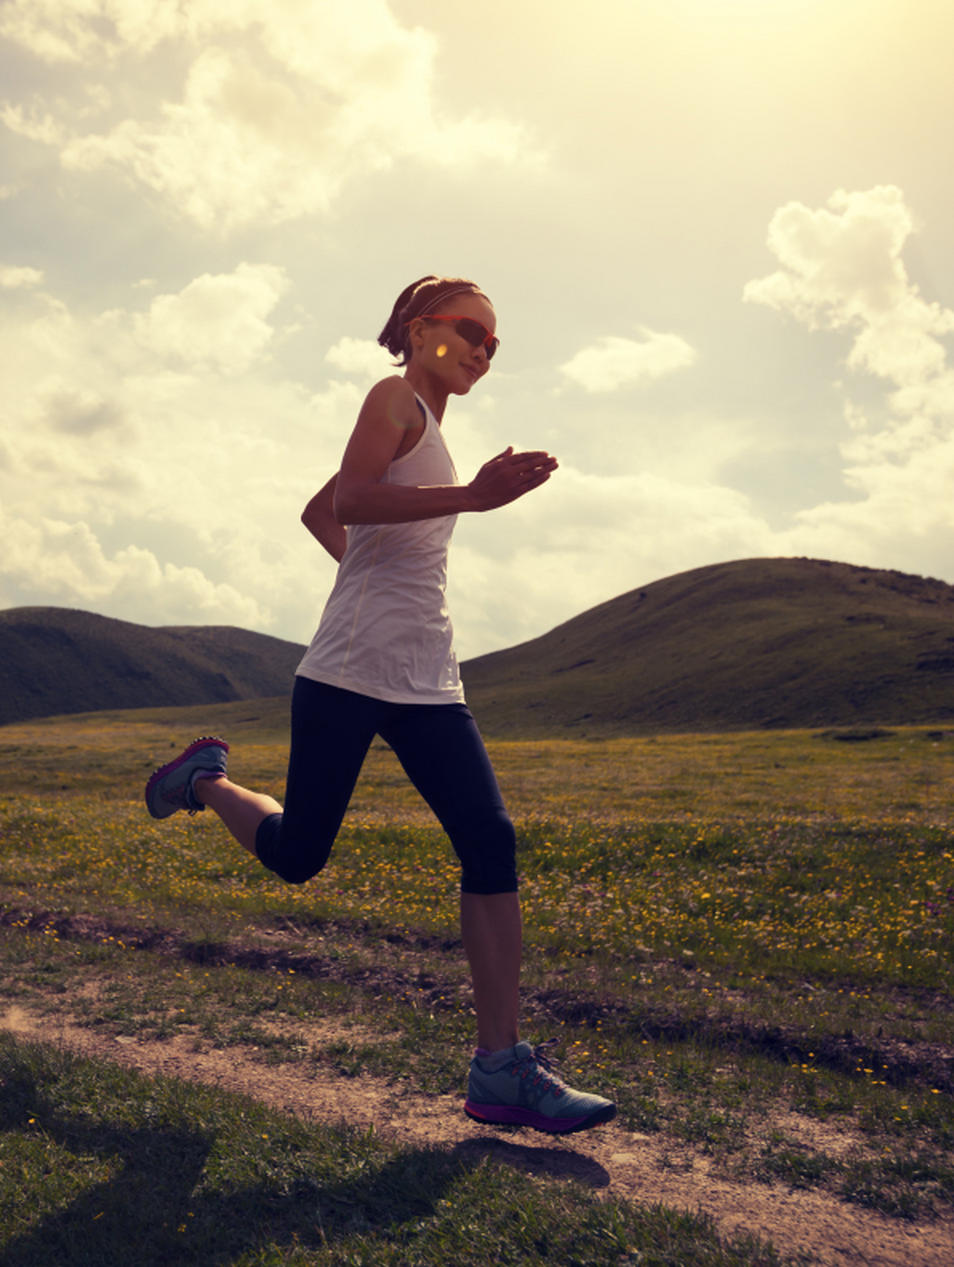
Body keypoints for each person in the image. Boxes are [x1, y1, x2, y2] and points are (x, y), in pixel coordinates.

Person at [145, 276, 616, 1134]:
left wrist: (370, 567)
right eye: (471, 330)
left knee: (490, 839)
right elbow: (350, 501)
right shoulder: (394, 398)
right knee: (299, 857)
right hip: (350, 671)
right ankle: (204, 779)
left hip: (427, 675)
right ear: (418, 327)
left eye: (495, 343)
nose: (483, 349)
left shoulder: (427, 429)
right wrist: (468, 499)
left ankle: (500, 1068)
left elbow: (323, 513)